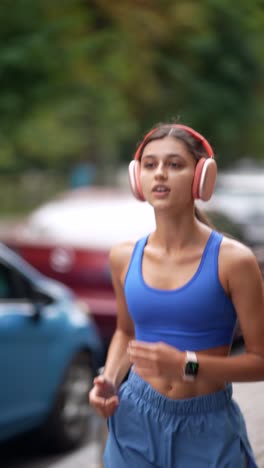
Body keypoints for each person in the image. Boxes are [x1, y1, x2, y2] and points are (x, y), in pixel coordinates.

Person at [89, 122, 264, 467]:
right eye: (150, 165)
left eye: (174, 164)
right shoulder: (123, 256)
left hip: (207, 428)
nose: (160, 175)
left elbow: (260, 360)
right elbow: (126, 332)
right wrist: (109, 379)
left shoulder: (234, 260)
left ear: (202, 177)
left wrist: (187, 364)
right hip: (134, 420)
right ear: (137, 178)